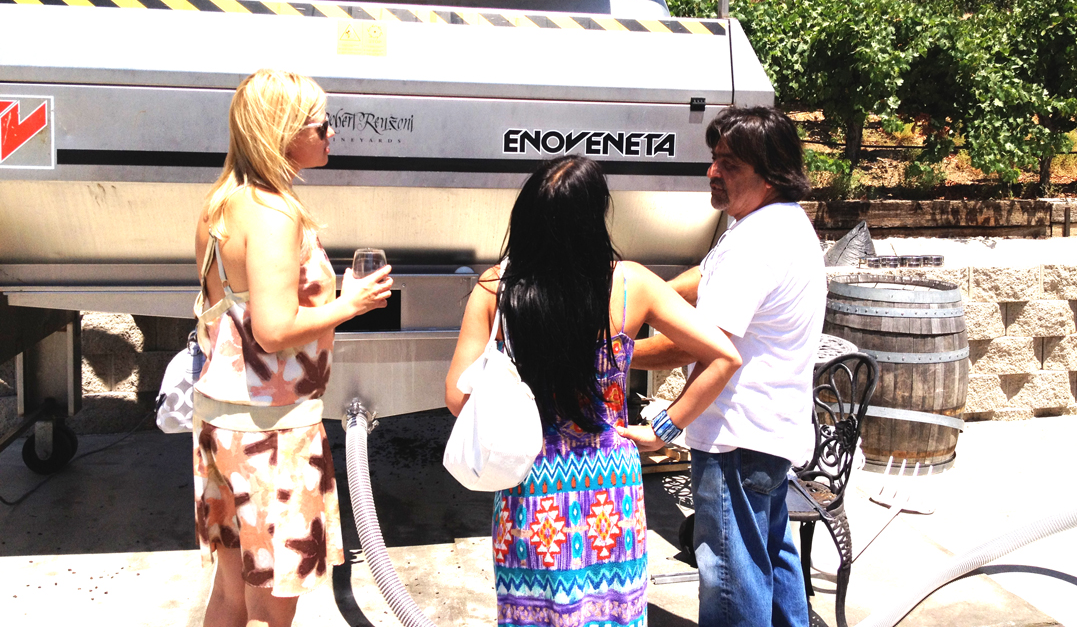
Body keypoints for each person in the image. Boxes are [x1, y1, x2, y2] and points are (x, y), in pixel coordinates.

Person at [445, 155, 743, 627]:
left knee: (537, 612)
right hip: (610, 484)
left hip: (530, 479)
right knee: (610, 611)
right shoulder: (630, 283)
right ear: (595, 216)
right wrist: (664, 429)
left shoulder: (497, 287)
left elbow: (457, 398)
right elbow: (724, 357)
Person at [192, 69, 393, 627]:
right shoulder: (275, 214)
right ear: (282, 132)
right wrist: (350, 304)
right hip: (272, 432)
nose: (332, 133)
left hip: (223, 421)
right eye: (321, 124)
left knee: (230, 596)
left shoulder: (222, 204)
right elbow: (274, 330)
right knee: (270, 610)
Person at [623, 106, 825, 627]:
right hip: (769, 434)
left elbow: (698, 347)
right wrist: (645, 299)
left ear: (770, 173)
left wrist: (615, 353)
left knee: (733, 581)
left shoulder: (755, 244)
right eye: (714, 159)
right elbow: (706, 275)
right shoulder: (779, 222)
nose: (713, 172)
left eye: (730, 165)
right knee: (770, 560)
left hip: (736, 439)